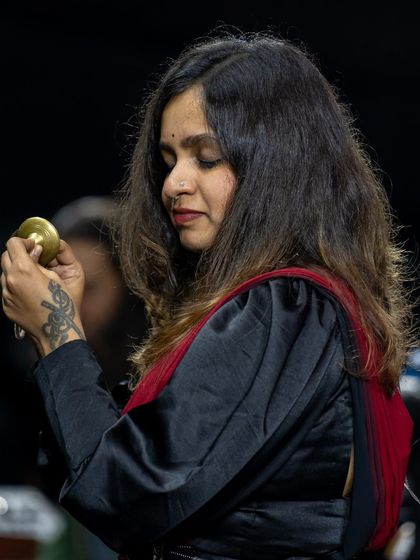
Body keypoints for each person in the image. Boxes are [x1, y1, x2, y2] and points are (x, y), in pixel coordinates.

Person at [0, 31, 415, 560]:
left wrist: (57, 334)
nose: (174, 182)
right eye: (170, 158)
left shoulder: (284, 308)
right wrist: (64, 331)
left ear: (277, 166)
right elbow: (102, 475)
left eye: (207, 157)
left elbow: (129, 497)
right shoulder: (302, 306)